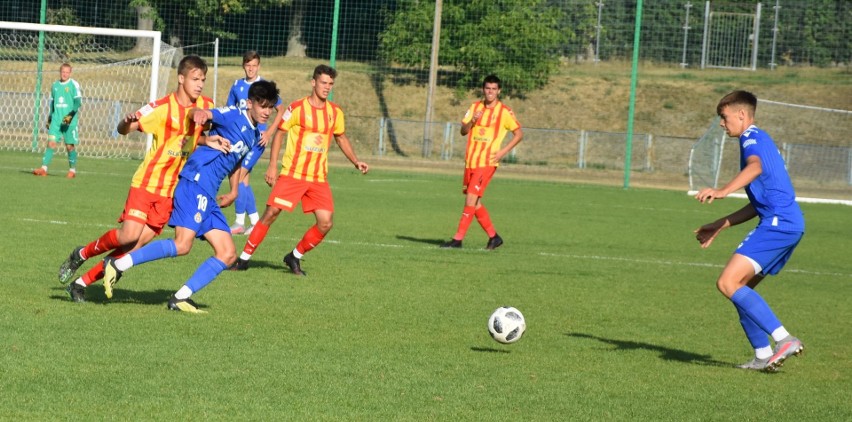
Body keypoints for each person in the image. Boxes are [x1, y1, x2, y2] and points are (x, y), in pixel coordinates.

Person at [102, 81, 279, 312]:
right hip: (194, 183)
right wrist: (201, 113)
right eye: (262, 105)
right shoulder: (233, 114)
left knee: (228, 254)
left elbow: (236, 164)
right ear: (250, 103)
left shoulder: (255, 136)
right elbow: (201, 113)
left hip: (209, 192)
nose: (266, 111)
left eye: (270, 107)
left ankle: (180, 298)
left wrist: (234, 191)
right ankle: (118, 263)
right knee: (182, 244)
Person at [59, 55, 215, 303]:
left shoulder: (206, 104)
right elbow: (123, 130)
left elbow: (194, 135)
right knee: (128, 236)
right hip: (146, 184)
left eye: (203, 80)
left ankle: (80, 284)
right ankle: (82, 252)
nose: (200, 84)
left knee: (132, 250)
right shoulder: (161, 108)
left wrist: (209, 138)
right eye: (195, 79)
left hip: (169, 192)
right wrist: (125, 121)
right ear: (181, 78)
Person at [694, 90, 805, 372]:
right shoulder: (761, 140)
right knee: (741, 290)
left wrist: (723, 190)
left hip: (778, 223)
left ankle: (784, 339)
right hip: (786, 223)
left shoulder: (751, 139)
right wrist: (720, 224)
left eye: (724, 116)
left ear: (741, 114)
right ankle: (762, 354)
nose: (722, 123)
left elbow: (754, 168)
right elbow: (757, 204)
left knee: (727, 283)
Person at [230, 64, 369, 275]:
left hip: (318, 178)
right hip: (293, 174)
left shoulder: (335, 112)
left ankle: (294, 256)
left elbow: (340, 137)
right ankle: (244, 259)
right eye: (323, 82)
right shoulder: (296, 108)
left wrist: (355, 161)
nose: (327, 87)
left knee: (325, 223)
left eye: (330, 84)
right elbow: (280, 134)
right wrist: (272, 165)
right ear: (313, 82)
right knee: (271, 213)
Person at [440, 74, 523, 250]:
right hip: (471, 161)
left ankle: (457, 240)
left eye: (494, 89)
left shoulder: (504, 112)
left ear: (499, 91)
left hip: (487, 162)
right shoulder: (474, 107)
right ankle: (494, 237)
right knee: (475, 203)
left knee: (470, 200)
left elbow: (519, 134)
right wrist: (472, 121)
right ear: (483, 89)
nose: (490, 92)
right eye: (487, 88)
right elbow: (463, 131)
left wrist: (502, 152)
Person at [226, 51, 285, 236]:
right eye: (248, 65)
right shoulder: (237, 85)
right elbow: (230, 110)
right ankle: (253, 222)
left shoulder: (264, 87)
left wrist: (269, 132)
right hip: (240, 138)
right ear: (244, 66)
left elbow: (281, 109)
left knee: (238, 175)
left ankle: (238, 222)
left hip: (257, 140)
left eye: (254, 65)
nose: (251, 69)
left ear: (259, 66)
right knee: (243, 179)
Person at [33, 63, 82, 178]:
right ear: (60, 72)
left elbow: (78, 102)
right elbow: (52, 102)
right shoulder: (55, 85)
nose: (64, 74)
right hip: (56, 120)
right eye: (63, 72)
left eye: (67, 72)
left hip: (69, 121)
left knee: (69, 146)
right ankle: (44, 168)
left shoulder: (73, 84)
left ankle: (72, 170)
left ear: (70, 73)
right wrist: (50, 117)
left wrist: (70, 115)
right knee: (51, 143)